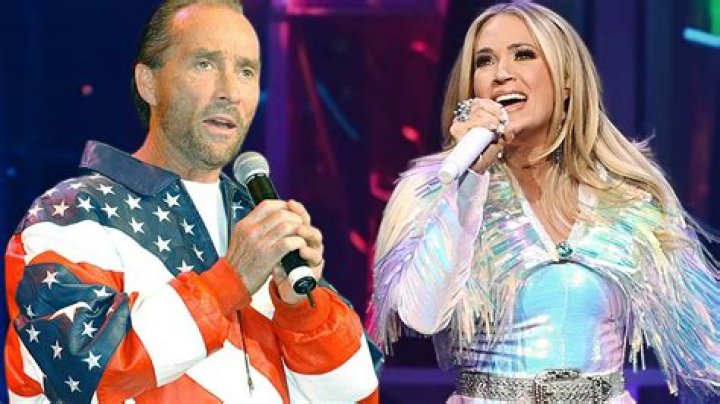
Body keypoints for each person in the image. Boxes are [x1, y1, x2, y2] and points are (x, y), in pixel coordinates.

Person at [4, 1, 379, 402]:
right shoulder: (71, 217)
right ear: (148, 83)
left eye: (246, 71)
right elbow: (81, 373)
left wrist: (303, 311)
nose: (230, 92)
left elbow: (356, 396)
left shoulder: (260, 227)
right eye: (204, 64)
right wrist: (230, 281)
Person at [368, 2, 719, 403]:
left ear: (566, 80)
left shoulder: (627, 201)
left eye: (523, 54)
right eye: (484, 61)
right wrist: (469, 182)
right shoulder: (436, 187)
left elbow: (707, 338)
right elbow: (422, 316)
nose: (501, 73)